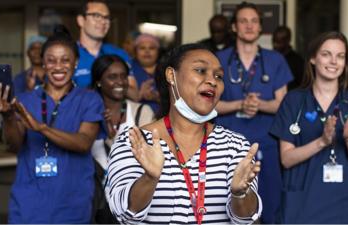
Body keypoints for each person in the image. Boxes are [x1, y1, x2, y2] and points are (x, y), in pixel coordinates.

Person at [105, 43, 262, 224]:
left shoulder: (235, 146)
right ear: (171, 75)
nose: (212, 80)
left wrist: (240, 194)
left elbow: (246, 220)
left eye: (218, 76)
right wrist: (149, 178)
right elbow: (124, 215)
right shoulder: (134, 141)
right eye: (201, 70)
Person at [0, 27, 104, 223]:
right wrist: (9, 116)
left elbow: (84, 142)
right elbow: (14, 145)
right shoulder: (25, 100)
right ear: (43, 63)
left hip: (72, 205)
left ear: (76, 63)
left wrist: (41, 128)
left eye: (65, 60)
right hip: (28, 204)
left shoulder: (89, 100)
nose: (58, 66)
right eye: (51, 60)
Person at [270, 31, 348, 223]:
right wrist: (322, 141)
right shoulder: (294, 101)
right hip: (301, 205)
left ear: (345, 63)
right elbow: (286, 159)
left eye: (340, 56)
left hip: (342, 205)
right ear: (313, 58)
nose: (333, 61)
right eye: (326, 54)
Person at [215, 2, 293, 223]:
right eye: (243, 21)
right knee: (224, 206)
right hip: (226, 146)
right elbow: (208, 104)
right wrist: (240, 104)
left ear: (260, 27)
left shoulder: (275, 60)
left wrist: (259, 105)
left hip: (265, 145)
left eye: (254, 21)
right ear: (234, 27)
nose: (249, 26)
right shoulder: (219, 60)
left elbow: (282, 103)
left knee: (269, 206)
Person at [91, 54, 154, 170]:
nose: (120, 82)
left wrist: (112, 138)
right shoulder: (88, 114)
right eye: (112, 77)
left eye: (123, 76)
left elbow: (148, 156)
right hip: (95, 186)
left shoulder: (142, 112)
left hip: (133, 185)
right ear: (99, 81)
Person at [75, 0, 139, 100]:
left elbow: (135, 95)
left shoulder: (119, 54)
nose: (103, 21)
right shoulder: (69, 55)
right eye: (96, 16)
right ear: (81, 20)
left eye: (107, 17)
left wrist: (110, 82)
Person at [132, 33, 161, 113]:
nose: (147, 51)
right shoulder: (128, 69)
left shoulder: (166, 70)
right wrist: (139, 95)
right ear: (135, 52)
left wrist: (156, 97)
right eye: (142, 48)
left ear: (158, 51)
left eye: (151, 48)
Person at [272, 25, 304, 90]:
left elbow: (303, 85)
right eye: (274, 41)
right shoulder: (270, 58)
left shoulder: (297, 61)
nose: (275, 45)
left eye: (278, 42)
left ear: (287, 41)